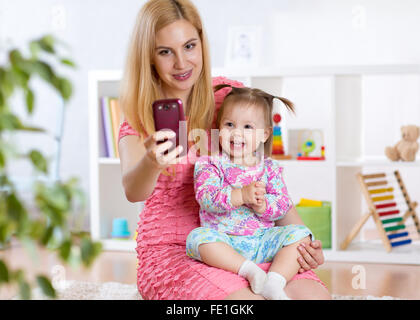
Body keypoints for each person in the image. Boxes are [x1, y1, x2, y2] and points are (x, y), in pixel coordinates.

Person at [118, 0, 331, 300]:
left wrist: (304, 242)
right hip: (179, 249)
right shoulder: (138, 114)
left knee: (313, 299)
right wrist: (152, 162)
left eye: (190, 46)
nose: (181, 63)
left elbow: (264, 177)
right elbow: (132, 190)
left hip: (253, 238)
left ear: (202, 43)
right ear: (148, 57)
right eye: (165, 52)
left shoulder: (229, 96)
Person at [187, 85, 314, 300]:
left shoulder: (269, 168)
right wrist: (240, 196)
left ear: (264, 134)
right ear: (219, 128)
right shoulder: (210, 164)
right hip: (225, 243)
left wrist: (265, 206)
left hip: (263, 240)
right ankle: (249, 270)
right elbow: (206, 197)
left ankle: (275, 281)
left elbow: (283, 203)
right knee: (197, 239)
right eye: (229, 124)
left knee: (302, 236)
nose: (237, 132)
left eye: (247, 126)